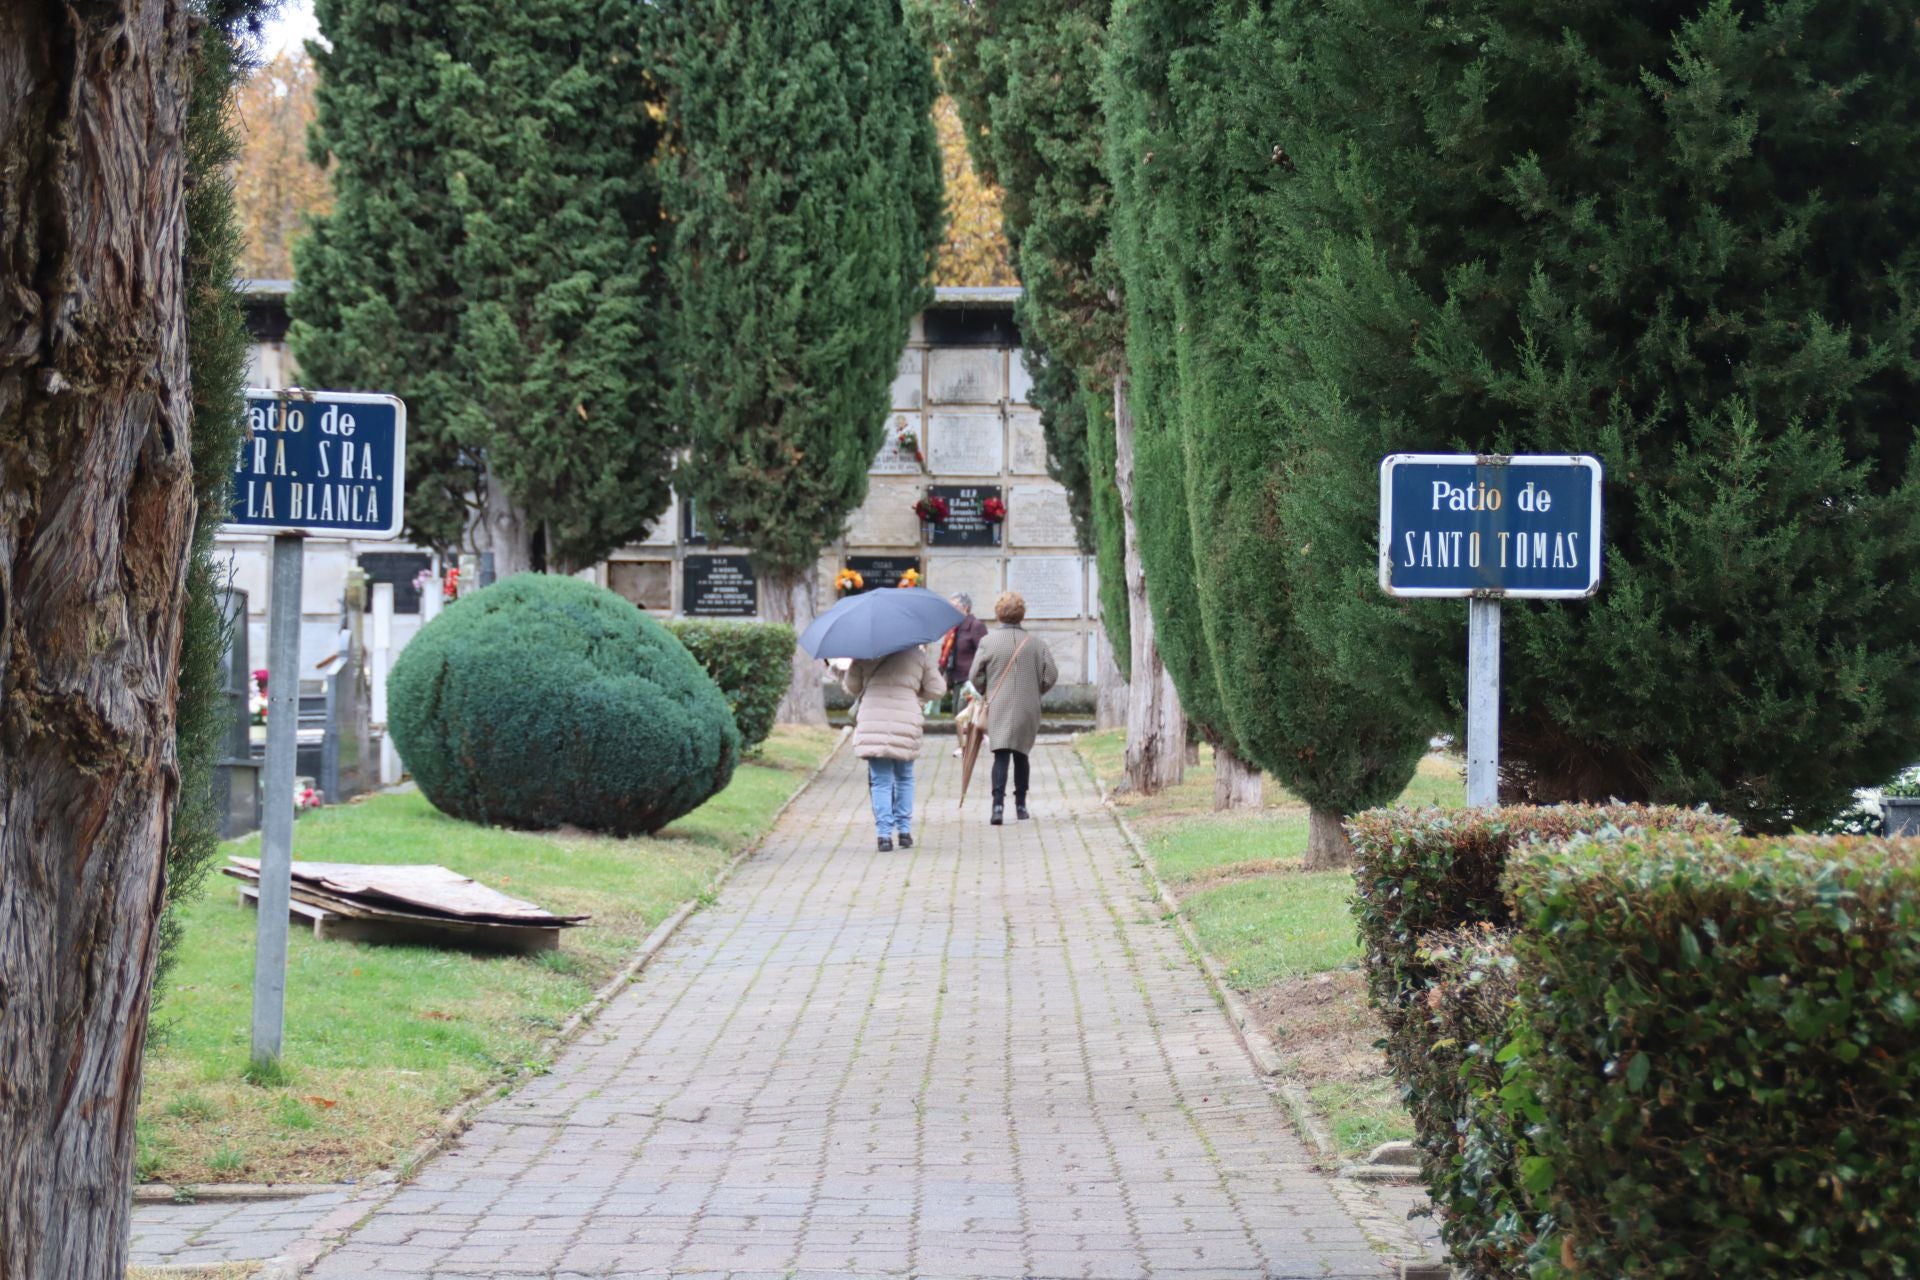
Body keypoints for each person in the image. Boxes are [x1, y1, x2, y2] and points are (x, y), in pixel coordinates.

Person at [968, 591, 1058, 825]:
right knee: (1021, 754)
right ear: (1022, 614)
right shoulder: (1036, 644)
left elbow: (974, 674)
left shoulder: (988, 642)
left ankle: (997, 807)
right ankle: (1021, 806)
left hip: (998, 705)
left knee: (1001, 754)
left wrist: (986, 690)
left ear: (999, 614)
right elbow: (1051, 675)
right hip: (1028, 706)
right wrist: (1037, 691)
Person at [843, 643, 945, 851]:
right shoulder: (918, 656)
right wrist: (917, 698)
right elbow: (938, 689)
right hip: (906, 717)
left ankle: (884, 836)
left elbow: (852, 687)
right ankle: (905, 831)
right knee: (905, 777)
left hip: (873, 719)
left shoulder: (864, 653)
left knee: (880, 781)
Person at [938, 593, 988, 696]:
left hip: (970, 683)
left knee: (964, 712)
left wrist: (979, 681)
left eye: (954, 607)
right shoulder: (954, 627)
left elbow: (985, 654)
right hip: (956, 681)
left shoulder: (976, 626)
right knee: (957, 712)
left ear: (965, 608)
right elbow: (947, 655)